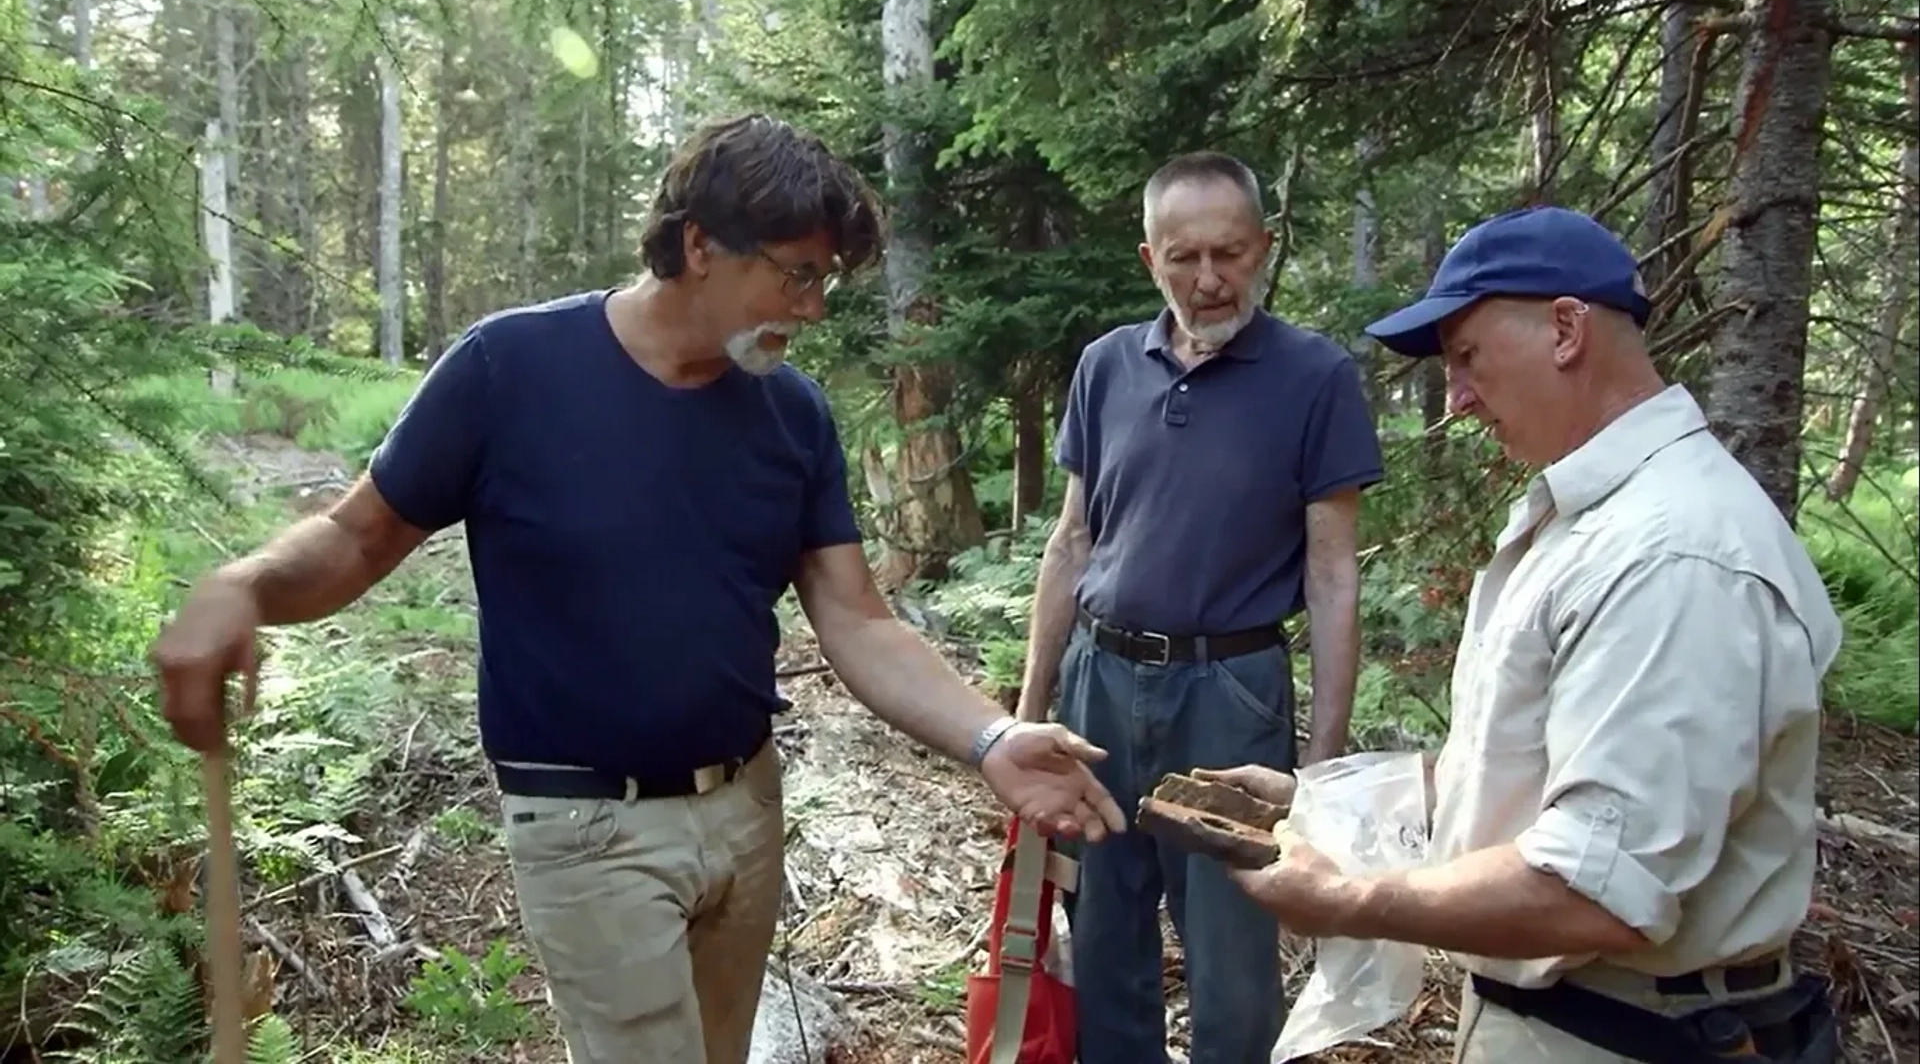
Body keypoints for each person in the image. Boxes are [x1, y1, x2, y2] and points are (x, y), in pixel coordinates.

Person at [150, 113, 1126, 1064]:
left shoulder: (790, 410)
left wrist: (989, 735)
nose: (814, 307)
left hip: (746, 808)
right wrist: (243, 586)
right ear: (699, 244)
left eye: (823, 279)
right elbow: (355, 538)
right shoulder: (511, 371)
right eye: (797, 273)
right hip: (588, 826)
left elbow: (857, 616)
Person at [1213, 205, 1845, 1063]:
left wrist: (1354, 899)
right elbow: (1532, 768)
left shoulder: (1671, 554)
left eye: (1467, 356)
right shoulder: (1591, 520)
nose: (1459, 397)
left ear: (1565, 327)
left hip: (1634, 1034)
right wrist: (1322, 803)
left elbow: (1597, 890)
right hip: (1582, 1021)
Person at [1016, 151, 1384, 1064]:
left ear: (1263, 247)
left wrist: (1323, 765)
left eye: (1229, 253)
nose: (1209, 279)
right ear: (1151, 259)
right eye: (1185, 257)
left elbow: (1333, 574)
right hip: (1097, 682)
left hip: (1232, 693)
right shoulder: (1106, 367)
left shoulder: (1315, 376)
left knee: (1231, 952)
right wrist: (1024, 717)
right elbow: (1071, 542)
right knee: (1102, 932)